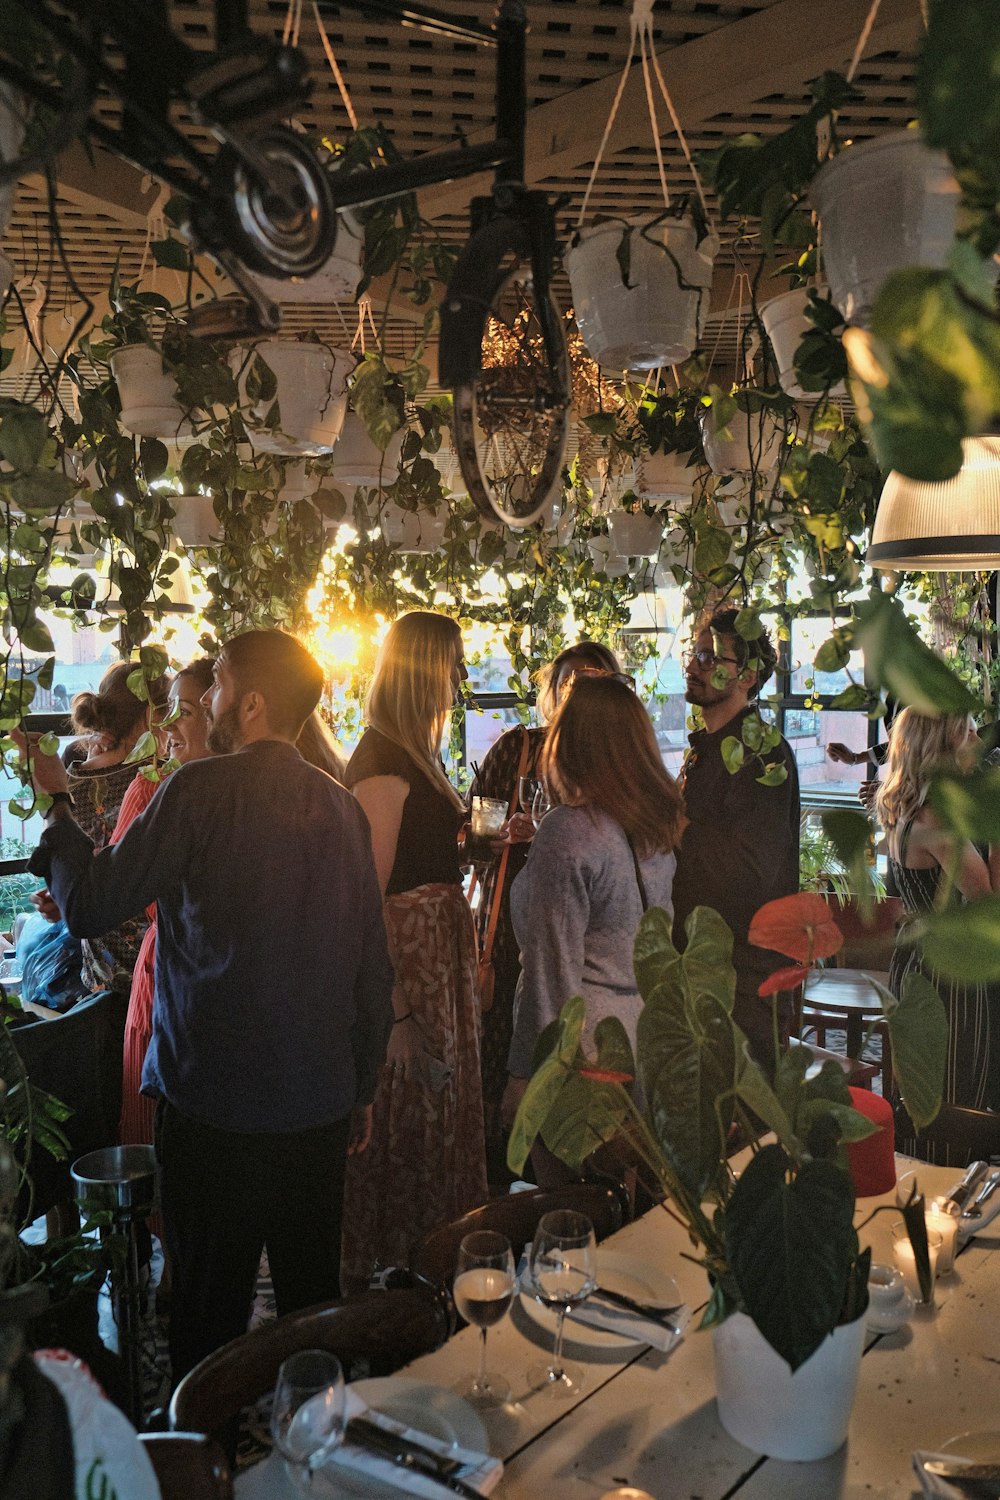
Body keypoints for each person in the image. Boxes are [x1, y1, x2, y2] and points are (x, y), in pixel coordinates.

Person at [21, 629, 394, 1382]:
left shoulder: (198, 791)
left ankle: (204, 1464)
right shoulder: (340, 807)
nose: (208, 700)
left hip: (215, 1106)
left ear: (251, 702)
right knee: (310, 1311)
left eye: (217, 684)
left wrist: (58, 807)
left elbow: (91, 905)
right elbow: (370, 969)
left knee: (207, 1319)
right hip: (315, 1104)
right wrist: (359, 1088)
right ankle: (312, 1455)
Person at [340, 609, 487, 1292]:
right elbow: (364, 897)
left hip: (436, 962)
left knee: (438, 1115)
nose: (460, 679)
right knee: (408, 1123)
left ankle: (427, 1273)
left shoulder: (413, 751)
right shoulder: (381, 761)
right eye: (452, 663)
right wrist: (395, 1010)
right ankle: (398, 1286)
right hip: (409, 971)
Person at [502, 673, 684, 1172]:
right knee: (628, 1213)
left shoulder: (569, 831)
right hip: (640, 1037)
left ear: (569, 742)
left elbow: (550, 972)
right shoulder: (654, 826)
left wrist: (526, 1080)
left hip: (582, 1056)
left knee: (574, 1221)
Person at [469, 639, 625, 1184]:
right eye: (568, 681)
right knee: (507, 1059)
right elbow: (472, 830)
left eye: (593, 681)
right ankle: (504, 1193)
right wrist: (496, 838)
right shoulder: (519, 750)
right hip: (515, 931)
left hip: (591, 952)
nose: (577, 691)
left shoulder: (618, 766)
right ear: (551, 690)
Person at [670, 608, 800, 1073]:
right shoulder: (705, 749)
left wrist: (677, 828)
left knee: (742, 1130)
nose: (693, 665)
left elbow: (749, 870)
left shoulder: (763, 752)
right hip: (701, 967)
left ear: (747, 676)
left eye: (709, 657)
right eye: (694, 653)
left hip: (743, 979)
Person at [875, 708, 1000, 1157]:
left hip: (917, 963)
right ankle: (948, 1196)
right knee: (954, 1096)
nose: (976, 740)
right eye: (966, 732)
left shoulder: (910, 809)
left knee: (927, 1089)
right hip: (947, 977)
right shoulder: (935, 821)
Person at [66, 662, 171, 992]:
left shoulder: (70, 779)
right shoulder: (158, 778)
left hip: (98, 974)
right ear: (151, 716)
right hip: (156, 970)